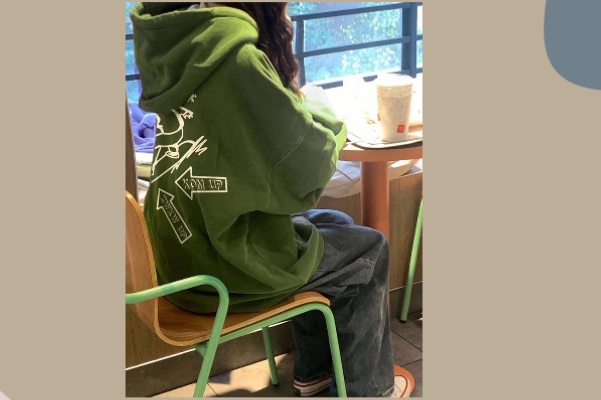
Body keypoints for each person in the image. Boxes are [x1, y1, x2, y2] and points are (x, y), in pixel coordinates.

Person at [130, 2, 414, 397]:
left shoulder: (182, 46)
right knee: (371, 248)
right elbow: (306, 164)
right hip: (222, 270)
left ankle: (315, 371)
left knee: (337, 225)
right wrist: (327, 115)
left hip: (183, 254)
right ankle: (370, 389)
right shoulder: (239, 59)